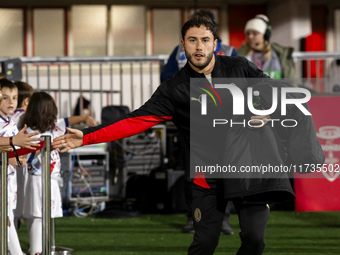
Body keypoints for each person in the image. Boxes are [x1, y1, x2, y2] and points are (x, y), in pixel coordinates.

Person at [52, 16, 301, 255]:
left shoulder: (240, 68)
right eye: (192, 40)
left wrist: (266, 110)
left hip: (249, 170)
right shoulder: (174, 89)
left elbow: (273, 91)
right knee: (205, 242)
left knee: (255, 241)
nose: (199, 46)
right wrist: (86, 137)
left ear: (216, 44)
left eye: (205, 40)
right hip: (208, 177)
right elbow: (136, 121)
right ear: (183, 45)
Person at [161, 9, 236, 235]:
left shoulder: (231, 51)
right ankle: (194, 218)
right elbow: (167, 79)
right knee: (193, 173)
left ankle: (223, 219)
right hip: (191, 121)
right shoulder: (180, 50)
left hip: (224, 121)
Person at [21, 91, 96, 255]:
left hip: (52, 179)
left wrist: (84, 118)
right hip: (37, 179)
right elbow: (28, 159)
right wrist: (44, 148)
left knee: (47, 216)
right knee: (36, 215)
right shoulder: (29, 132)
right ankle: (35, 250)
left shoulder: (54, 127)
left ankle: (45, 249)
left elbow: (68, 120)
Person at [161, 10, 237, 82]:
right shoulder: (179, 50)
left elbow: (239, 80)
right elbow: (165, 77)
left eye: (205, 26)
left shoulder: (229, 52)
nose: (199, 46)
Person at [0, 78, 26, 255]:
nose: (11, 102)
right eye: (5, 98)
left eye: (14, 97)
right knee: (6, 222)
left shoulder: (12, 123)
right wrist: (6, 158)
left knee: (7, 221)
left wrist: (21, 156)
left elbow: (16, 149)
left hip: (9, 182)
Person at [236, 14, 295, 79]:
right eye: (248, 33)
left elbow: (291, 81)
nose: (250, 36)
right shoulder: (239, 55)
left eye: (255, 33)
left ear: (265, 35)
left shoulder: (281, 54)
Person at [10, 81, 35, 230]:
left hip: (10, 160)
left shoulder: (7, 116)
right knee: (17, 202)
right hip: (19, 161)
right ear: (27, 101)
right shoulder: (26, 116)